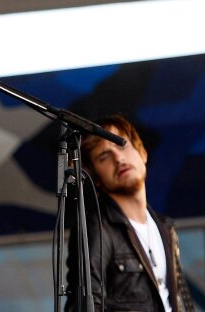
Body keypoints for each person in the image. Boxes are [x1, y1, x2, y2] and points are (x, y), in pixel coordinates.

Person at [65, 115, 195, 311]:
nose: (119, 158)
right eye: (104, 156)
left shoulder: (164, 227)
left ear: (142, 153)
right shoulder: (97, 230)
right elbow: (84, 306)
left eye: (122, 145)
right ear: (96, 178)